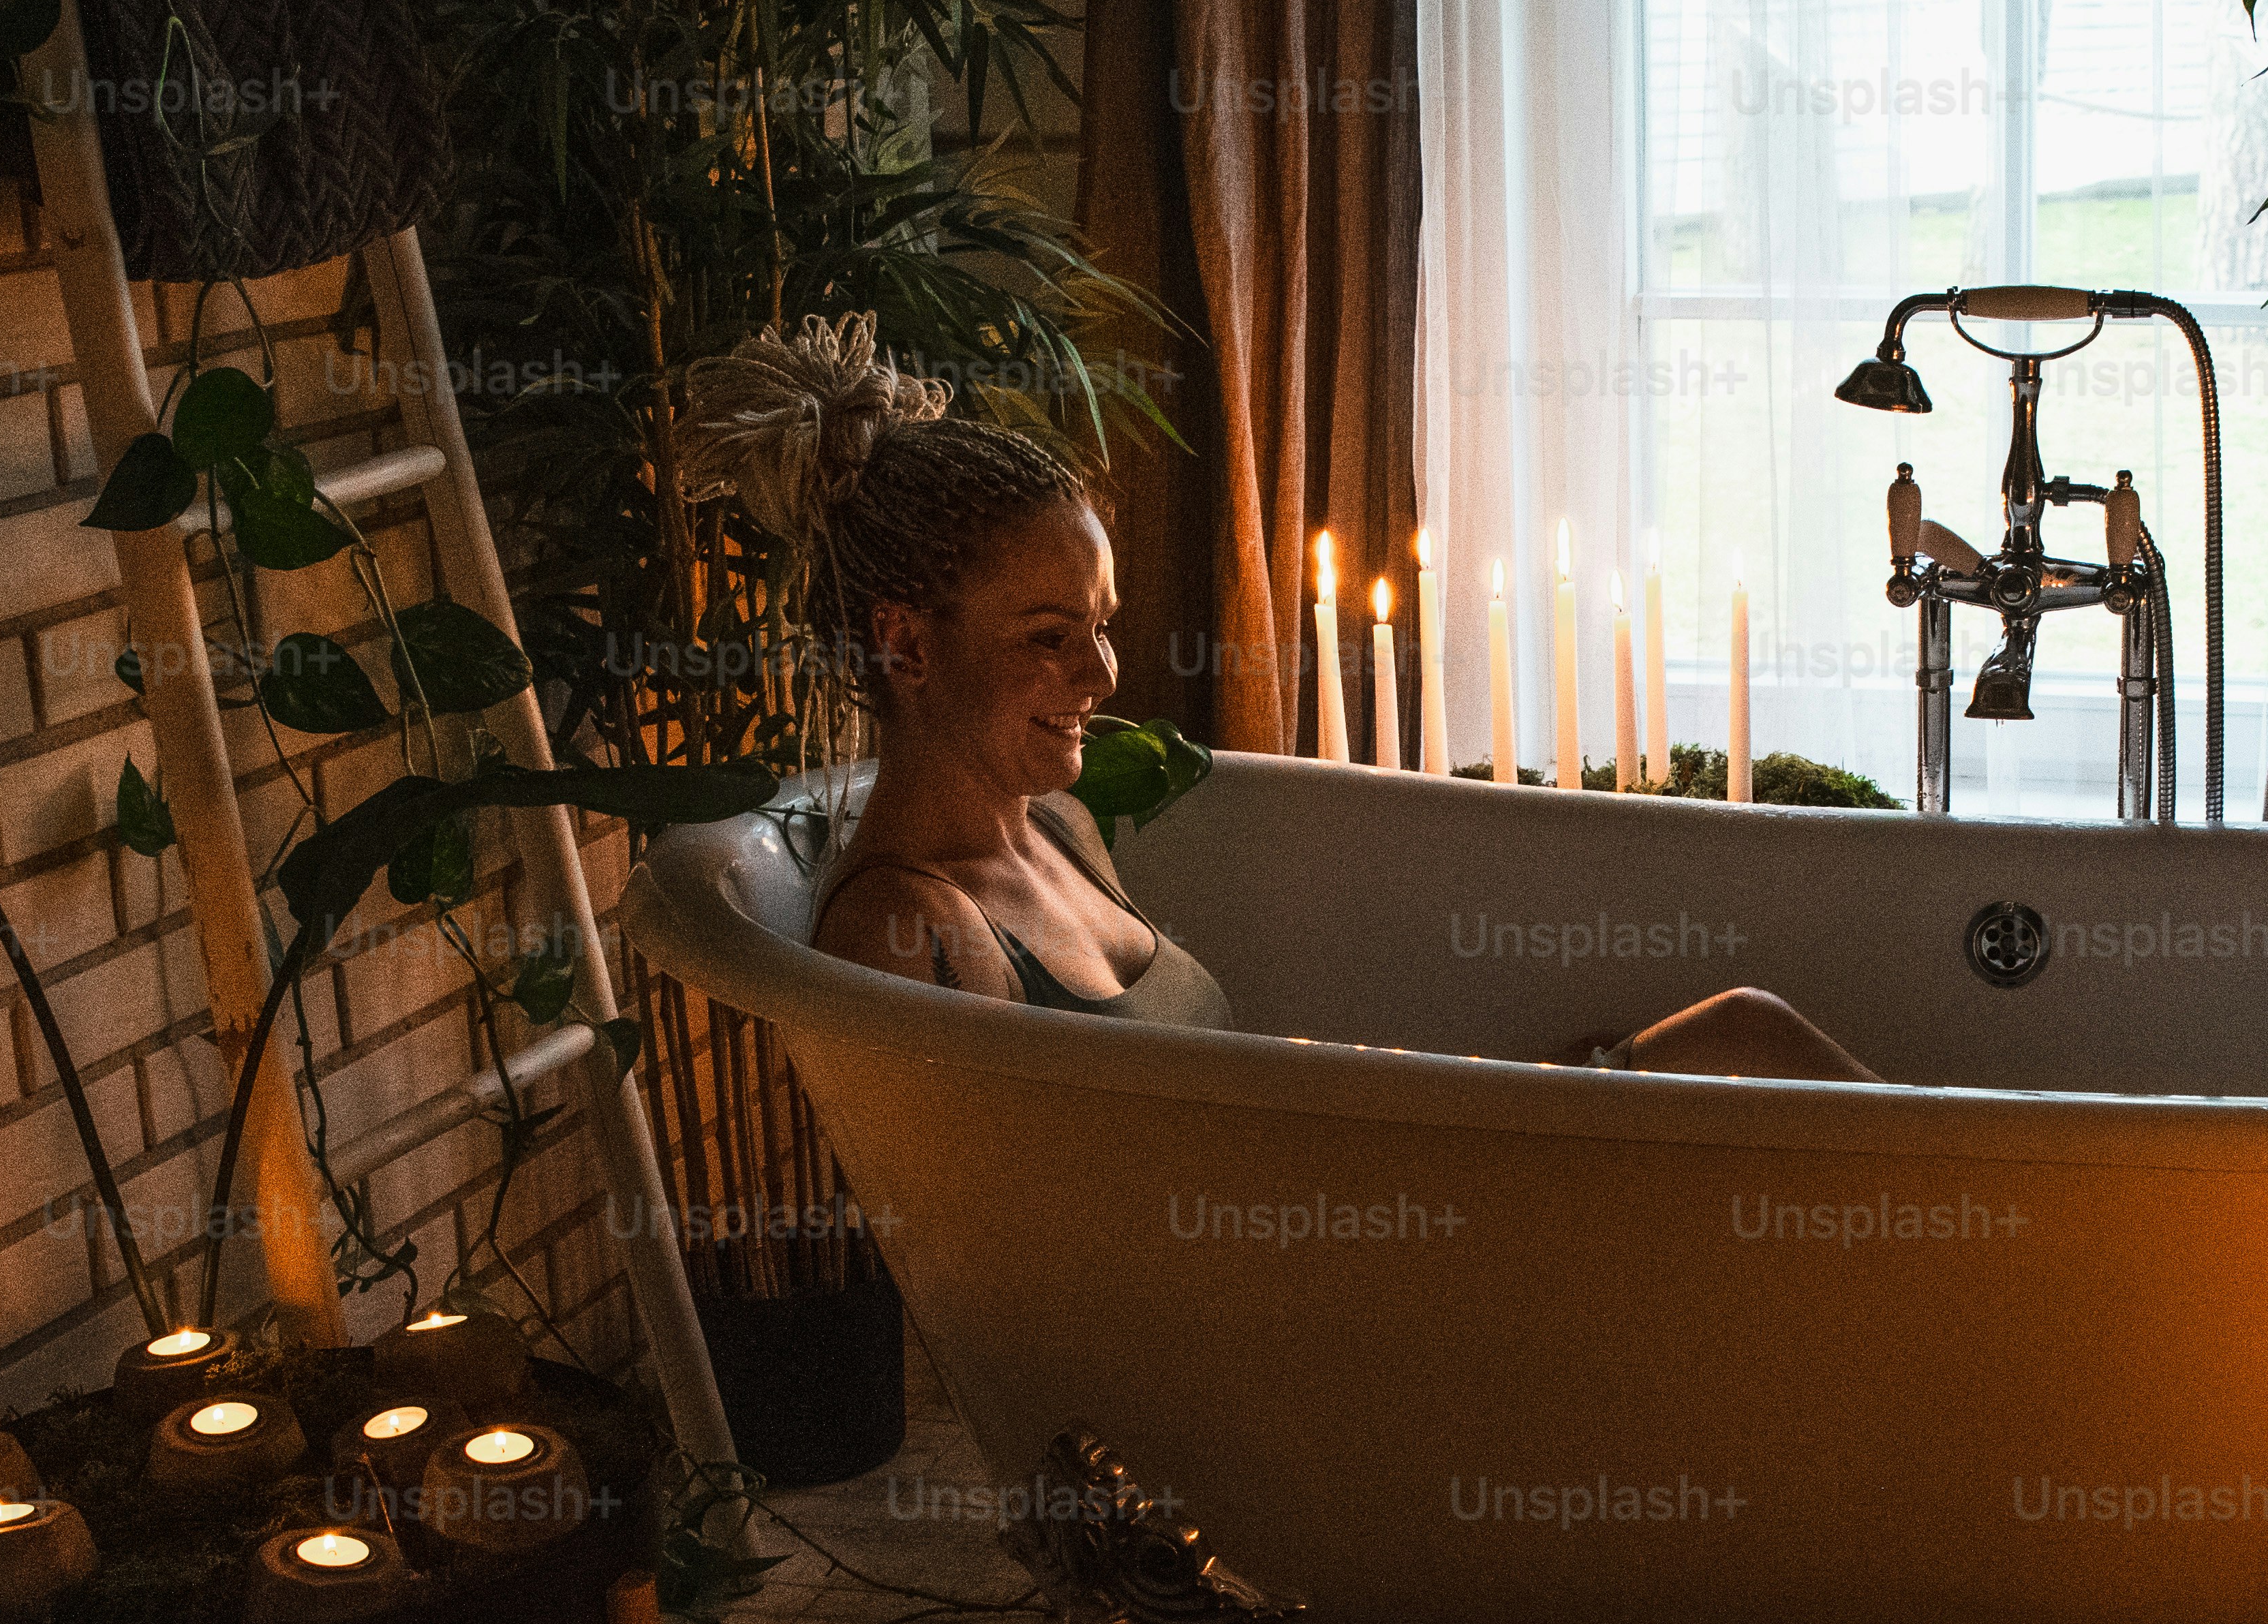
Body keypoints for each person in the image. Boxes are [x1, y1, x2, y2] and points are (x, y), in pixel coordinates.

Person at [722, 328, 1867, 1076]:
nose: (1103, 676)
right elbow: (1034, 1253)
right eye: (1049, 638)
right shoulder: (909, 932)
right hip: (1301, 1297)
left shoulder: (1059, 828)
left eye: (1103, 627)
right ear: (905, 643)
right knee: (1751, 1046)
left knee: (1744, 1030)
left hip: (1335, 1215)